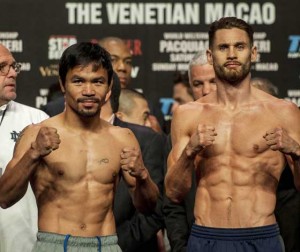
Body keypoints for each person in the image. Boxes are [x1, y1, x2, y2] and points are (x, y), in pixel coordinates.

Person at [0, 42, 159, 252]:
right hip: (54, 244)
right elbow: (4, 198)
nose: (88, 91)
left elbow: (147, 207)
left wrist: (143, 176)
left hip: (106, 244)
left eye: (98, 82)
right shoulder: (35, 134)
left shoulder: (123, 138)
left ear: (109, 86)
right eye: (78, 81)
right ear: (63, 84)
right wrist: (33, 154)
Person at [165, 17, 300, 252]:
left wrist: (296, 153)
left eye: (240, 46)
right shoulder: (188, 115)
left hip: (262, 236)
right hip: (206, 236)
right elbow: (174, 193)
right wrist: (189, 152)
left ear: (254, 52)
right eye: (223, 47)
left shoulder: (283, 112)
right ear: (210, 55)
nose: (231, 54)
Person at [101, 72, 166, 252]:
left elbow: (156, 208)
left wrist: (111, 246)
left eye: (96, 82)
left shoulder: (148, 140)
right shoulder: (63, 136)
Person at [0, 43, 49, 252]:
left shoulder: (36, 120)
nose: (12, 73)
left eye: (14, 66)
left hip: (24, 244)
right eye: (2, 67)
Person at [99, 37, 165, 134]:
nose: (122, 67)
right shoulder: (87, 102)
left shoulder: (149, 108)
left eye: (128, 62)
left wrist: (158, 135)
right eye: (113, 60)